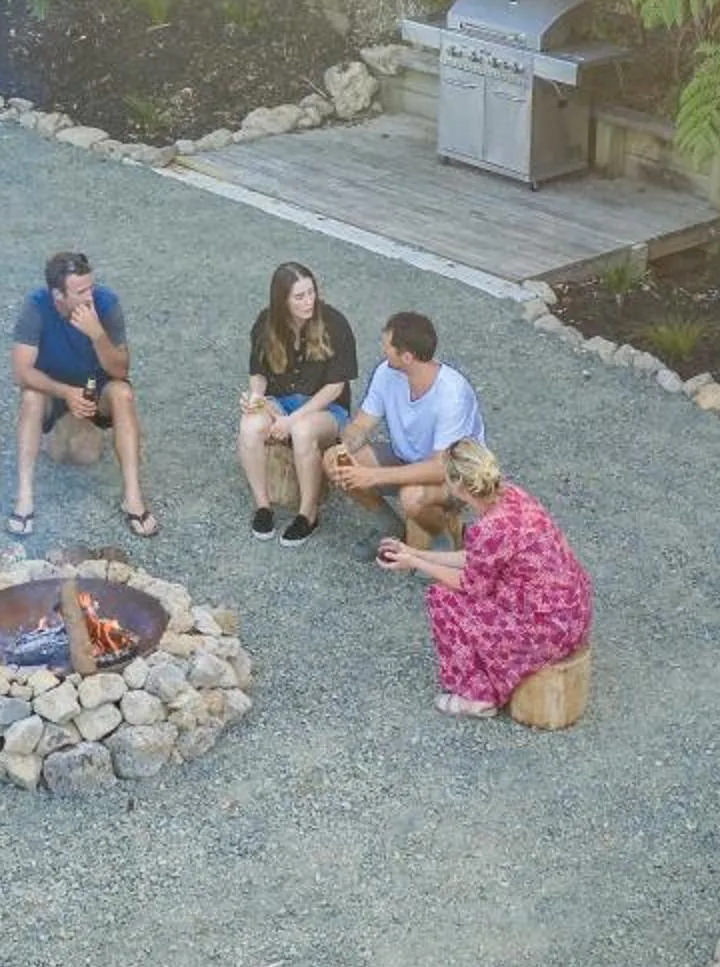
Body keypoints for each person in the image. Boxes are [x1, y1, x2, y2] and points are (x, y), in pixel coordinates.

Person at [377, 440, 593, 717]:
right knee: (460, 592)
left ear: (457, 486)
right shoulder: (514, 496)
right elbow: (478, 558)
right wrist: (416, 552)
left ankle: (476, 696)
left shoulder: (488, 528)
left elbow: (470, 584)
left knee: (442, 598)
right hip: (572, 613)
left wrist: (415, 562)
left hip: (545, 628)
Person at [10, 248, 158, 538]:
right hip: (53, 390)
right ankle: (24, 496)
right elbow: (21, 372)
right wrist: (65, 392)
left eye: (91, 286)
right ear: (58, 296)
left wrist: (97, 334)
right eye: (80, 292)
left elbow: (120, 370)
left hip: (97, 389)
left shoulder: (106, 303)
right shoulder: (37, 306)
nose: (89, 296)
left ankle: (133, 495)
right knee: (30, 397)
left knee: (123, 395)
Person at [327, 310, 483, 550]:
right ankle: (390, 527)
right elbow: (361, 424)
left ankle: (441, 536)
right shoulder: (386, 372)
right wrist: (343, 447)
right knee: (336, 462)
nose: (383, 349)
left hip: (455, 475)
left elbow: (440, 468)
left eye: (387, 345)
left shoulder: (452, 395)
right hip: (406, 459)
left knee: (412, 495)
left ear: (408, 357)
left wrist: (373, 476)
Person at [235, 260, 356, 542]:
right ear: (282, 300)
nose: (308, 301)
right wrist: (256, 397)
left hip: (325, 408)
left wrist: (292, 420)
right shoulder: (267, 323)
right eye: (299, 296)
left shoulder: (335, 323)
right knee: (250, 425)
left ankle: (308, 514)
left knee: (302, 432)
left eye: (311, 293)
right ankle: (263, 506)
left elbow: (336, 386)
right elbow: (258, 373)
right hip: (281, 399)